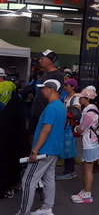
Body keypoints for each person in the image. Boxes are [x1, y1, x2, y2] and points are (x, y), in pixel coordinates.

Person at [16, 79, 66, 215]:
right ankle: (47, 208)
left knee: (28, 181)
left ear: (51, 89)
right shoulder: (60, 106)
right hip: (53, 149)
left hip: (44, 150)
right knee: (49, 178)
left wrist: (35, 150)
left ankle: (23, 212)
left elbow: (46, 130)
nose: (41, 90)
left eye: (43, 88)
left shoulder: (51, 107)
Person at [70, 87, 99, 204]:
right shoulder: (92, 109)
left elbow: (81, 129)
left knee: (88, 169)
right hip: (91, 142)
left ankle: (87, 195)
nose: (79, 99)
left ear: (86, 98)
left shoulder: (89, 113)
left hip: (90, 143)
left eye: (81, 98)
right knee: (85, 167)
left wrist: (75, 127)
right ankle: (84, 191)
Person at [27, 50, 64, 146]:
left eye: (42, 58)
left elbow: (57, 95)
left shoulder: (57, 75)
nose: (40, 60)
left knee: (42, 135)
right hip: (37, 110)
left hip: (45, 111)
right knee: (31, 134)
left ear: (49, 61)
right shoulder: (45, 74)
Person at [56, 78, 80, 180]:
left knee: (69, 149)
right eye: (64, 85)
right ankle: (71, 171)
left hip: (70, 126)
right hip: (66, 125)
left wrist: (63, 108)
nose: (65, 87)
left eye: (67, 85)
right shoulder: (66, 97)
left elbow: (76, 110)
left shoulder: (76, 98)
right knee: (68, 148)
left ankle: (68, 171)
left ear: (73, 87)